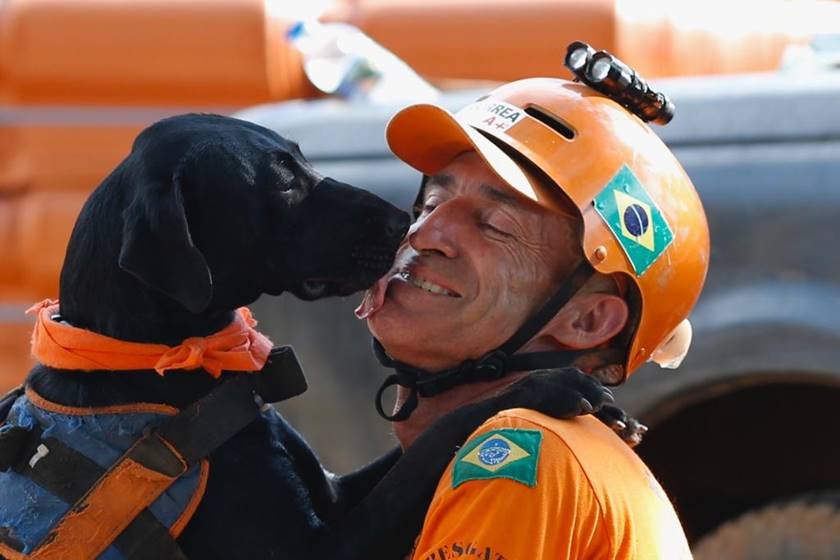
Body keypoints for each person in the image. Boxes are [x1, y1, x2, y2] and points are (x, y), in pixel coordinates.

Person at [356, 76, 709, 559]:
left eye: (495, 225)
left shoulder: (519, 455)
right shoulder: (554, 451)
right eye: (433, 202)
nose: (424, 232)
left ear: (586, 322)